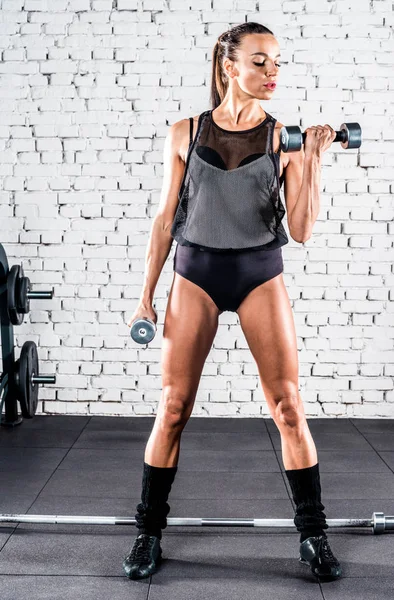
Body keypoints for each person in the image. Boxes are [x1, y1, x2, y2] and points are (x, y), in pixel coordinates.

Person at [123, 21, 341, 581]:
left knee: (288, 405)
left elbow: (302, 230)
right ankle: (148, 533)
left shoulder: (282, 139)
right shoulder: (184, 132)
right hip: (194, 273)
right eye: (260, 62)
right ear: (230, 66)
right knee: (172, 406)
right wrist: (146, 296)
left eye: (277, 63)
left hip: (258, 273)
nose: (272, 73)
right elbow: (166, 219)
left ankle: (313, 536)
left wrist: (312, 157)